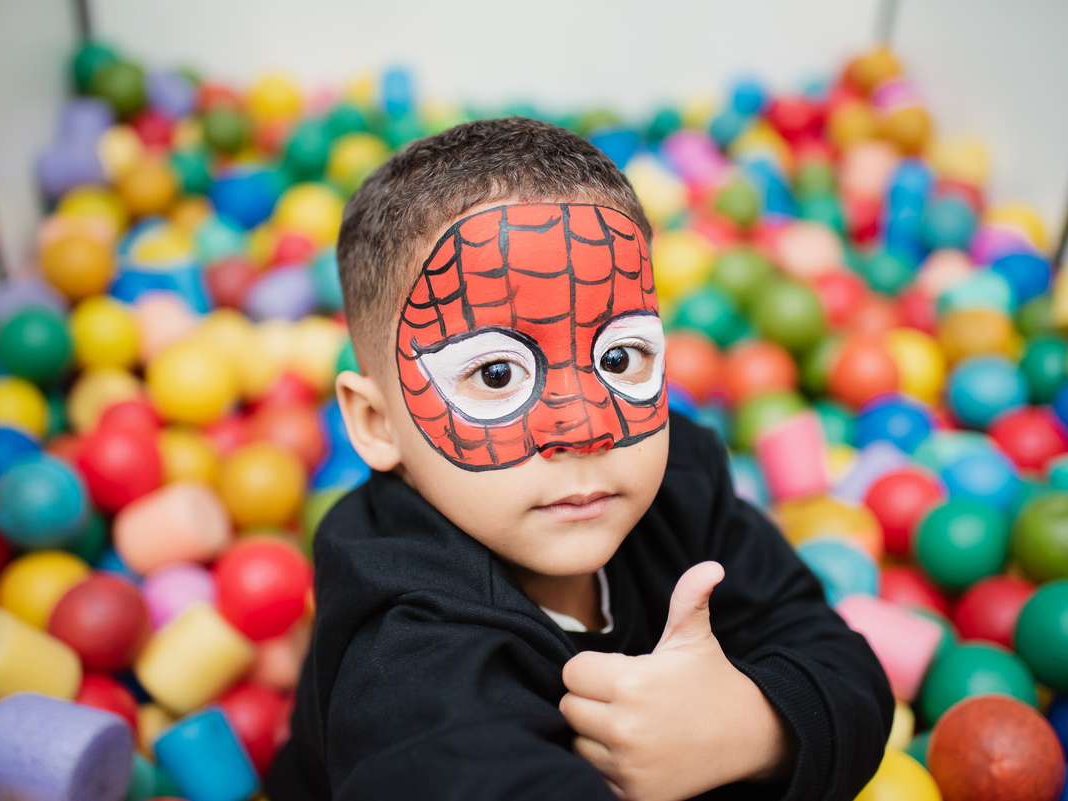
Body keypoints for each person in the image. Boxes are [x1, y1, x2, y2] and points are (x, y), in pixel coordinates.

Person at [266, 117, 894, 801]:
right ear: (376, 422)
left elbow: (844, 662)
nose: (585, 427)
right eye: (497, 375)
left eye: (618, 358)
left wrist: (750, 725)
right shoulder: (399, 631)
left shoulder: (680, 477)